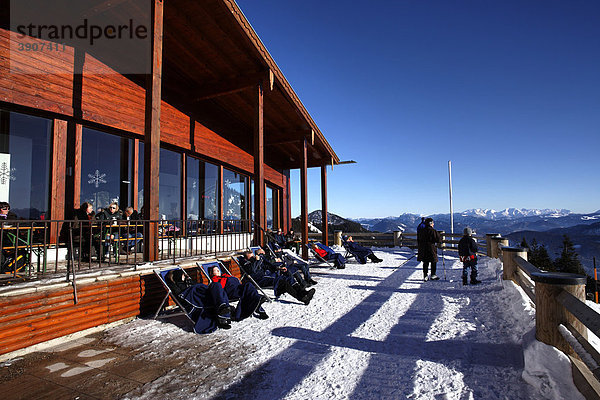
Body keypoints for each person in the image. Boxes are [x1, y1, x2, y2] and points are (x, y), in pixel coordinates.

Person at [165, 269, 233, 332]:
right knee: (218, 293)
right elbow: (182, 294)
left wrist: (191, 283)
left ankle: (222, 308)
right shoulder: (177, 286)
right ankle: (223, 315)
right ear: (178, 277)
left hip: (202, 293)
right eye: (183, 275)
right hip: (196, 297)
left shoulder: (188, 281)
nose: (184, 276)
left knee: (217, 285)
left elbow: (198, 286)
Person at [239, 250, 315, 305]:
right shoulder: (246, 263)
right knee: (283, 282)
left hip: (265, 277)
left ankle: (304, 292)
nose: (253, 258)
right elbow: (253, 270)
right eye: (251, 257)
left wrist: (278, 269)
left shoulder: (254, 262)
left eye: (253, 256)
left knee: (287, 275)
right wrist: (257, 261)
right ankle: (302, 298)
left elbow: (267, 266)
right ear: (246, 258)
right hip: (259, 280)